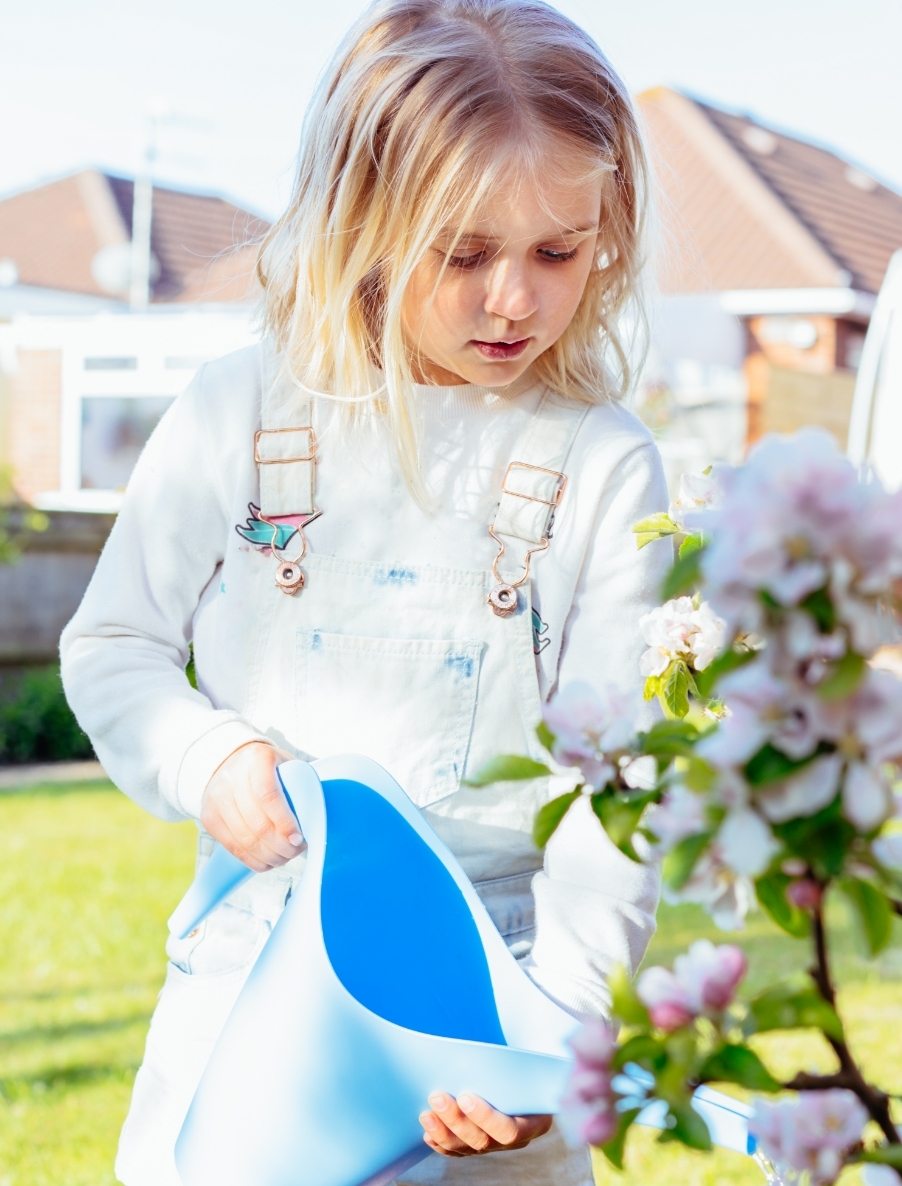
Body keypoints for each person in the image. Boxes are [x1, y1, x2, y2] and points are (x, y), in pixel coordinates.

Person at [59, 4, 665, 1184]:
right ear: (365, 223)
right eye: (464, 251)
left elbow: (618, 787)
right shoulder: (242, 413)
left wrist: (557, 1036)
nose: (514, 301)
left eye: (559, 251)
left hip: (493, 1013)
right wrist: (204, 756)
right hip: (251, 988)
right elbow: (115, 643)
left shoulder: (602, 462)